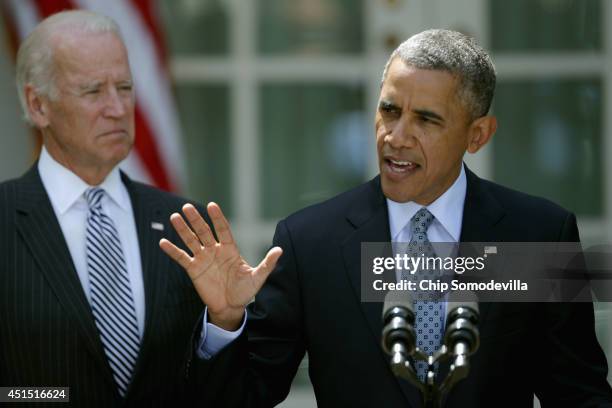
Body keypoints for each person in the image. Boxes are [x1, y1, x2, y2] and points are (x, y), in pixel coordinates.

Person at [161, 29, 612, 407]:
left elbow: (579, 395)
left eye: (427, 120)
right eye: (389, 110)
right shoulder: (309, 242)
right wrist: (224, 322)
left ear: (477, 135)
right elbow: (244, 396)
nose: (396, 137)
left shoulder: (537, 236)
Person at [0, 10, 217, 407]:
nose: (118, 108)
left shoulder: (185, 223)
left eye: (125, 87)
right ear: (38, 105)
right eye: (93, 91)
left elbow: (225, 389)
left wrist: (227, 323)